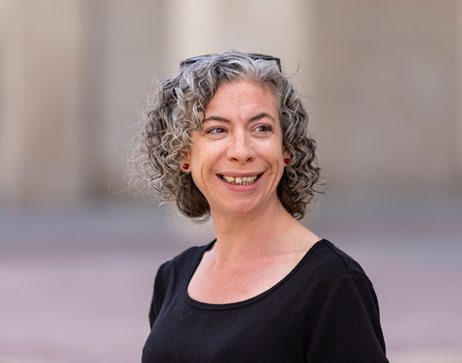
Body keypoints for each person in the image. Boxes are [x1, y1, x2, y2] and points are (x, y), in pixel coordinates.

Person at [131, 51, 388, 362]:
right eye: (217, 129)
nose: (242, 151)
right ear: (183, 153)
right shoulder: (174, 276)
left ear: (286, 149)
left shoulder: (332, 283)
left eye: (261, 128)